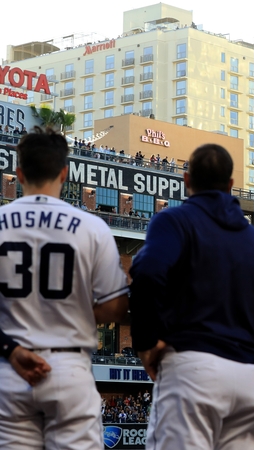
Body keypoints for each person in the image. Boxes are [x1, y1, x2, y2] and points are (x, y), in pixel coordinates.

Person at [129, 143, 254, 449]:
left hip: (192, 369)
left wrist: (145, 343)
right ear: (231, 185)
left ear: (187, 180)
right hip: (248, 377)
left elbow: (148, 274)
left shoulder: (174, 221)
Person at [0, 127, 129, 449]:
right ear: (64, 172)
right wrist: (74, 311)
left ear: (18, 173)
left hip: (9, 366)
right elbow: (116, 306)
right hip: (68, 367)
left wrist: (11, 349)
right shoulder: (92, 227)